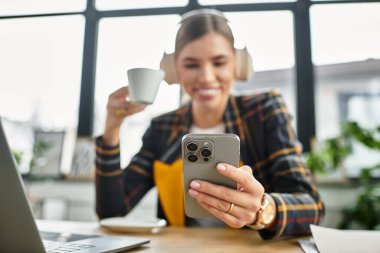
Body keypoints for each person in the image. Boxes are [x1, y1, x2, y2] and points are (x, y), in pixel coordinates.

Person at [95, 9, 324, 240]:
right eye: (191, 65)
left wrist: (263, 211)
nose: (206, 77)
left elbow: (312, 207)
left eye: (219, 62)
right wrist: (112, 130)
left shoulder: (264, 111)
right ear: (175, 71)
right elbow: (112, 211)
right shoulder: (162, 127)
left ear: (237, 65)